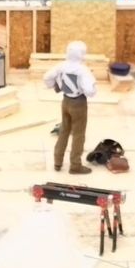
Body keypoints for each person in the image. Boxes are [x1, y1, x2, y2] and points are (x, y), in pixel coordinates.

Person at [44, 40, 97, 175]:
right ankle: (75, 165)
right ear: (82, 54)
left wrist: (53, 85)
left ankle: (57, 161)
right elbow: (90, 91)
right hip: (78, 103)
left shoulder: (61, 66)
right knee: (78, 135)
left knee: (64, 131)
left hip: (65, 101)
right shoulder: (82, 70)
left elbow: (47, 77)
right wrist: (92, 89)